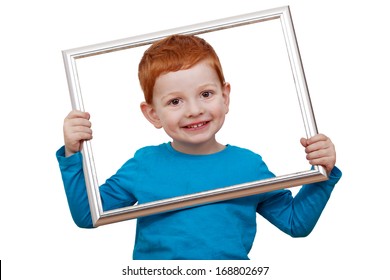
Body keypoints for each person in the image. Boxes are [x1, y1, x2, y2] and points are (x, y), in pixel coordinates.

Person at [56, 34, 342, 260]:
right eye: (175, 101)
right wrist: (72, 154)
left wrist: (322, 173)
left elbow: (295, 223)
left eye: (205, 94)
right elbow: (88, 216)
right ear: (153, 114)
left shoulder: (248, 165)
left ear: (225, 97)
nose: (194, 110)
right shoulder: (144, 165)